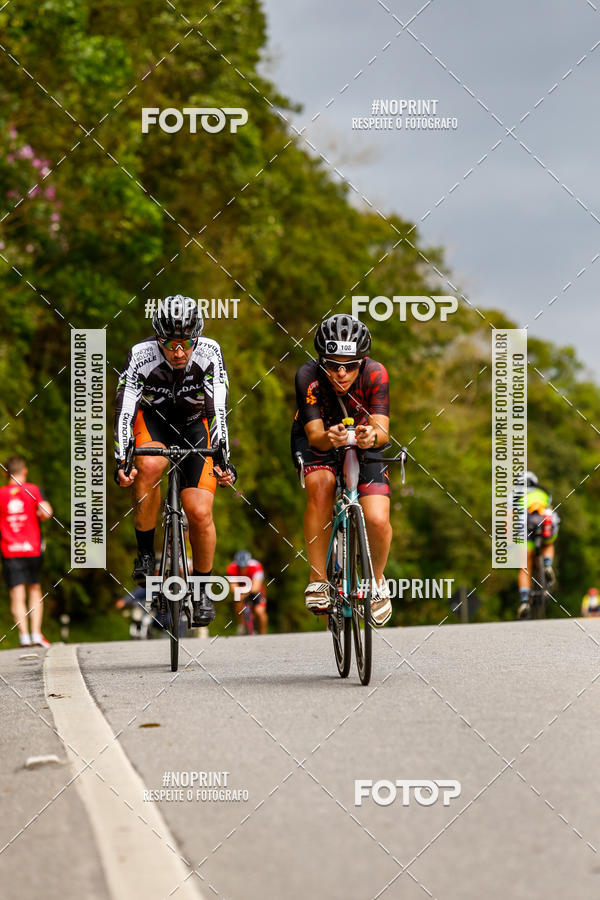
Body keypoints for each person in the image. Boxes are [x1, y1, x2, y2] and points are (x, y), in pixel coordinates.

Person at [113, 295, 234, 628]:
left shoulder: (209, 353)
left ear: (196, 337)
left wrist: (223, 455)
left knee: (198, 510)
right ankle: (145, 553)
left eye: (186, 344)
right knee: (149, 466)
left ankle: (202, 588)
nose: (179, 352)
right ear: (157, 338)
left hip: (197, 425)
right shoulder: (141, 356)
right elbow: (125, 409)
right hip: (154, 424)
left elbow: (218, 408)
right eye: (170, 344)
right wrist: (123, 458)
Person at [291, 314, 393, 626]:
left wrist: (370, 436)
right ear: (321, 360)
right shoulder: (307, 376)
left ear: (363, 361)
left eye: (350, 365)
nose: (341, 372)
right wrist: (329, 438)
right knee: (321, 486)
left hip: (363, 441)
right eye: (333, 364)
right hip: (318, 438)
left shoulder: (375, 373)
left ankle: (376, 582)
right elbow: (315, 435)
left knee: (376, 516)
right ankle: (318, 577)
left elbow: (383, 430)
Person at [0, 456, 53, 647]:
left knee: (16, 592)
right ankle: (36, 633)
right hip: (32, 549)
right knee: (34, 589)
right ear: (25, 471)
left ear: (5, 473)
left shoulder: (1, 494)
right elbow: (46, 513)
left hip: (10, 550)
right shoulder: (33, 490)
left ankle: (23, 636)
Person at [517, 471, 559, 619]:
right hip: (544, 523)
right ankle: (547, 564)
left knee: (525, 566)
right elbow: (552, 511)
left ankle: (524, 600)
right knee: (548, 544)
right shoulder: (544, 492)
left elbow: (509, 520)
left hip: (525, 527)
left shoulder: (514, 496)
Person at [226, 549, 268, 635]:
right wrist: (241, 594)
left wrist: (244, 593)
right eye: (240, 566)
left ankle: (263, 633)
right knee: (237, 599)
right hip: (242, 590)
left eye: (244, 566)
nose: (242, 569)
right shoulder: (232, 568)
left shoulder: (256, 566)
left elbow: (256, 588)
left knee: (259, 612)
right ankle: (241, 625)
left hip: (256, 591)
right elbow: (233, 588)